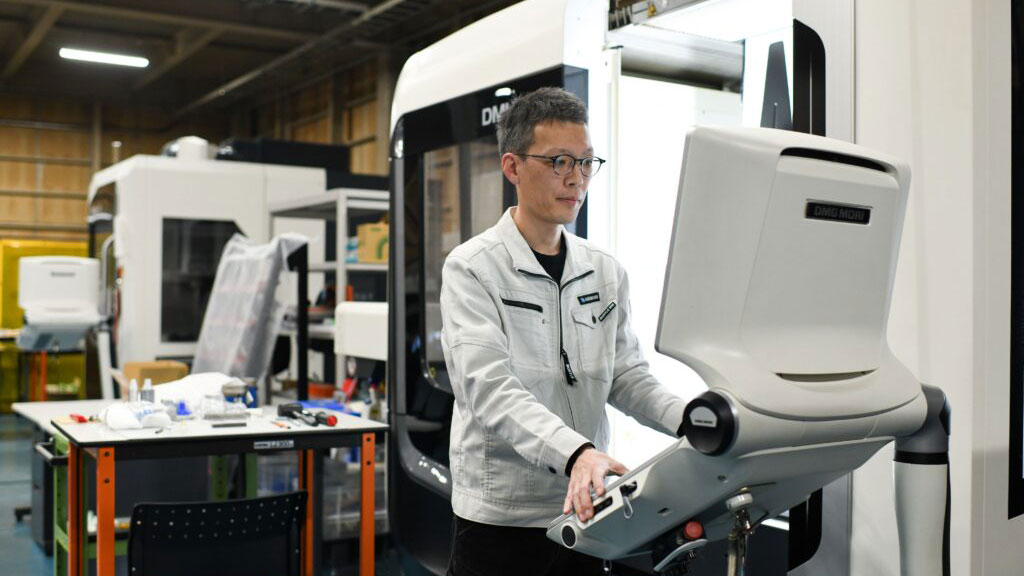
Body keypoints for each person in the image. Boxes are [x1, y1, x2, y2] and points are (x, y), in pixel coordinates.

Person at [440, 87, 689, 576]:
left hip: (587, 511)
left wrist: (693, 421)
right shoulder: (472, 269)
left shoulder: (604, 270)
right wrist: (577, 451)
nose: (576, 179)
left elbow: (625, 375)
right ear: (513, 168)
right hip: (502, 523)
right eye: (558, 162)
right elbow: (489, 389)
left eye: (586, 162)